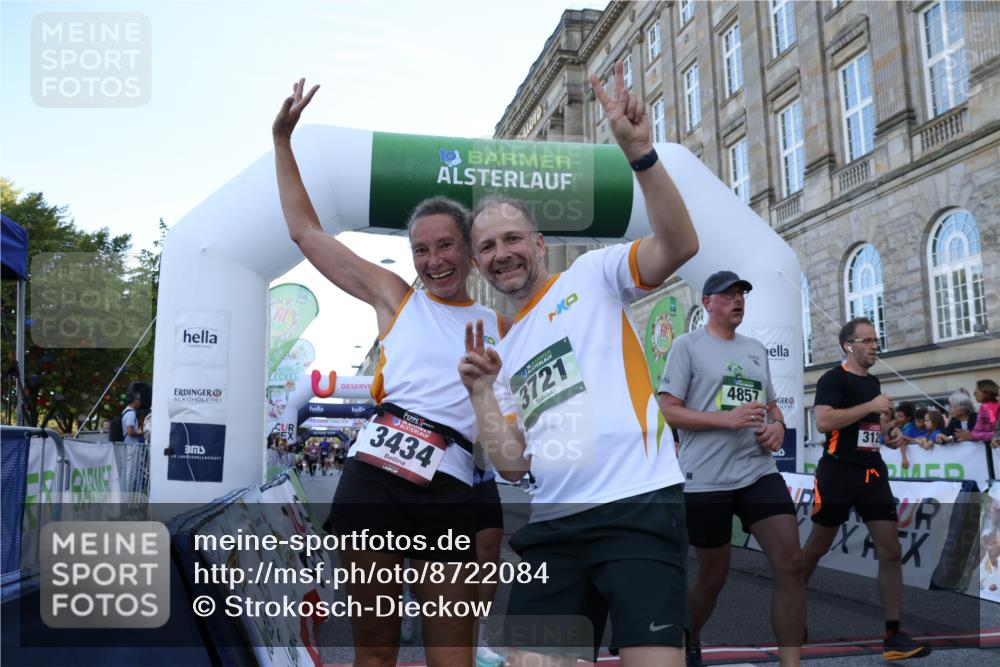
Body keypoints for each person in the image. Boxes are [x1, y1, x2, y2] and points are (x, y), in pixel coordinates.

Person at [458, 59, 698, 667]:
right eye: (486, 247)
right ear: (478, 264)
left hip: (637, 505)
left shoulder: (590, 275)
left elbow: (679, 246)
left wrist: (641, 155)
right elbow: (512, 469)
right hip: (555, 530)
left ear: (538, 243)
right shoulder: (502, 349)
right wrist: (484, 394)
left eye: (512, 239)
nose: (501, 253)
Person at [274, 78, 503, 666]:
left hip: (451, 488)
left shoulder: (505, 323)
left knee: (450, 655)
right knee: (374, 653)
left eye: (446, 246)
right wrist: (282, 142)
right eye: (421, 250)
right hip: (374, 480)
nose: (433, 261)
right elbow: (306, 232)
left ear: (472, 253)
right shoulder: (397, 299)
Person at [658, 270, 803, 667]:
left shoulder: (756, 349)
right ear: (707, 302)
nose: (737, 300)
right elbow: (668, 409)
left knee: (791, 563)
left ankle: (791, 663)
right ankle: (690, 636)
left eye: (741, 294)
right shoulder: (687, 347)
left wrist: (777, 427)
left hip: (758, 471)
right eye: (727, 294)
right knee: (713, 574)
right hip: (705, 479)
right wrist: (725, 420)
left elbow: (773, 407)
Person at [801, 317, 931, 661]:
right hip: (837, 474)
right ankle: (791, 607)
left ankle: (893, 634)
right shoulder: (832, 379)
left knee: (889, 550)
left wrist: (888, 435)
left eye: (877, 339)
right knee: (817, 546)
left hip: (872, 473)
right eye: (869, 340)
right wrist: (872, 407)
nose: (876, 345)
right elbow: (825, 422)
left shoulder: (873, 382)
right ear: (850, 346)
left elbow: (869, 431)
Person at [969, 379, 999, 444]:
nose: (974, 394)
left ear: (986, 392)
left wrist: (973, 436)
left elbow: (997, 434)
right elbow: (976, 432)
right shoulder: (983, 408)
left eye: (977, 391)